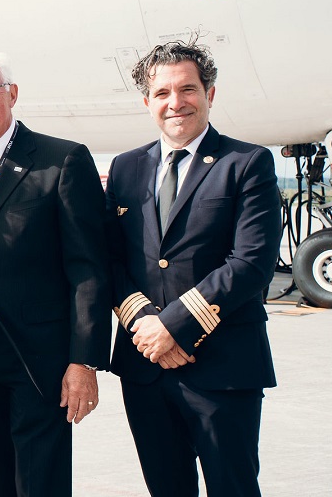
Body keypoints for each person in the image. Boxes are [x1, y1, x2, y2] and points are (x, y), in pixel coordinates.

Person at [0, 46, 110, 497]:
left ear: (11, 93)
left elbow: (88, 268)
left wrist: (83, 360)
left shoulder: (61, 160)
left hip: (40, 356)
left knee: (40, 482)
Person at [105, 40, 281, 497]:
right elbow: (110, 259)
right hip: (145, 367)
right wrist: (147, 326)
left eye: (188, 89)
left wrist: (175, 328)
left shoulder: (246, 163)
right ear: (147, 102)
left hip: (222, 368)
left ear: (210, 94)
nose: (175, 102)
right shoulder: (125, 168)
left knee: (233, 488)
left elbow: (251, 262)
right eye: (162, 93)